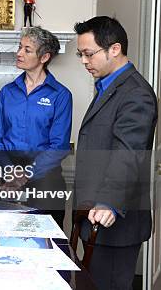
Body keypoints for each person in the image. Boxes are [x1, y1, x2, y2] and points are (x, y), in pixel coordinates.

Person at [73, 16, 157, 290]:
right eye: (80, 54)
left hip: (114, 224)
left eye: (89, 54)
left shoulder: (136, 94)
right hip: (94, 217)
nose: (84, 61)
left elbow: (128, 153)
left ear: (115, 49)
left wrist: (108, 202)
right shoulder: (108, 87)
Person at [0, 26, 72, 228]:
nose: (19, 53)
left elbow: (59, 145)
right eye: (19, 47)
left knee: (44, 241)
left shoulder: (60, 95)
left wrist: (26, 175)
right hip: (5, 173)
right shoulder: (7, 92)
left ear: (44, 57)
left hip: (45, 176)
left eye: (27, 49)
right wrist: (9, 170)